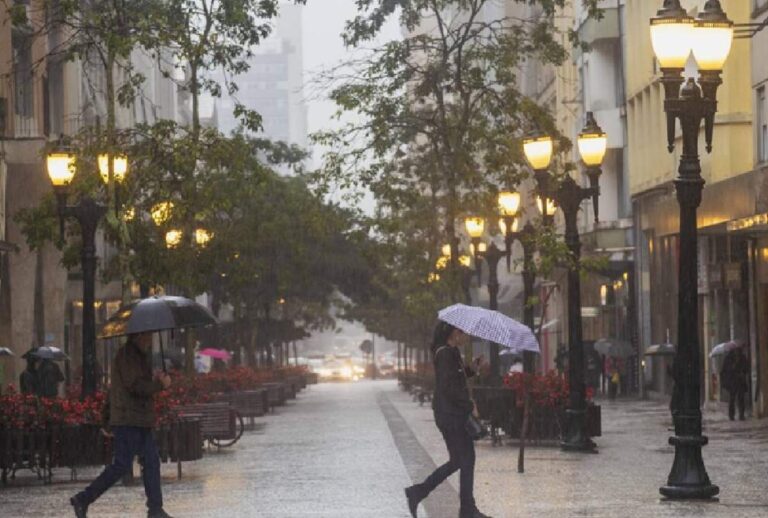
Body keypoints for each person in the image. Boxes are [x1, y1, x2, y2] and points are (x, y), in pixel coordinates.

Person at [70, 332, 174, 518]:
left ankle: (155, 509)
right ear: (138, 336)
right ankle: (83, 499)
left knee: (151, 462)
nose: (150, 340)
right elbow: (134, 386)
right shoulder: (127, 355)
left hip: (140, 419)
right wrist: (159, 385)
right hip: (129, 420)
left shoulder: (138, 356)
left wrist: (155, 380)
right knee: (121, 465)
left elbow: (121, 388)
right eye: (147, 336)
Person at [404, 321, 491, 518]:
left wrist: (472, 369)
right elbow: (448, 387)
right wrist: (470, 406)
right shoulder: (444, 353)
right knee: (462, 459)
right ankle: (423, 493)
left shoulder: (451, 352)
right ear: (452, 332)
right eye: (461, 331)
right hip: (450, 415)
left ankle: (424, 494)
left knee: (462, 460)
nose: (464, 335)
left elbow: (456, 378)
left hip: (453, 413)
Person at [721, 344, 749, 421]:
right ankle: (731, 415)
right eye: (735, 350)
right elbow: (725, 370)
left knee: (741, 398)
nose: (737, 351)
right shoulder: (728, 358)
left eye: (738, 350)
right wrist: (733, 367)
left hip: (740, 381)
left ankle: (741, 415)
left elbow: (747, 367)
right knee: (732, 398)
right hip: (732, 381)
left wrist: (743, 372)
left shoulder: (743, 358)